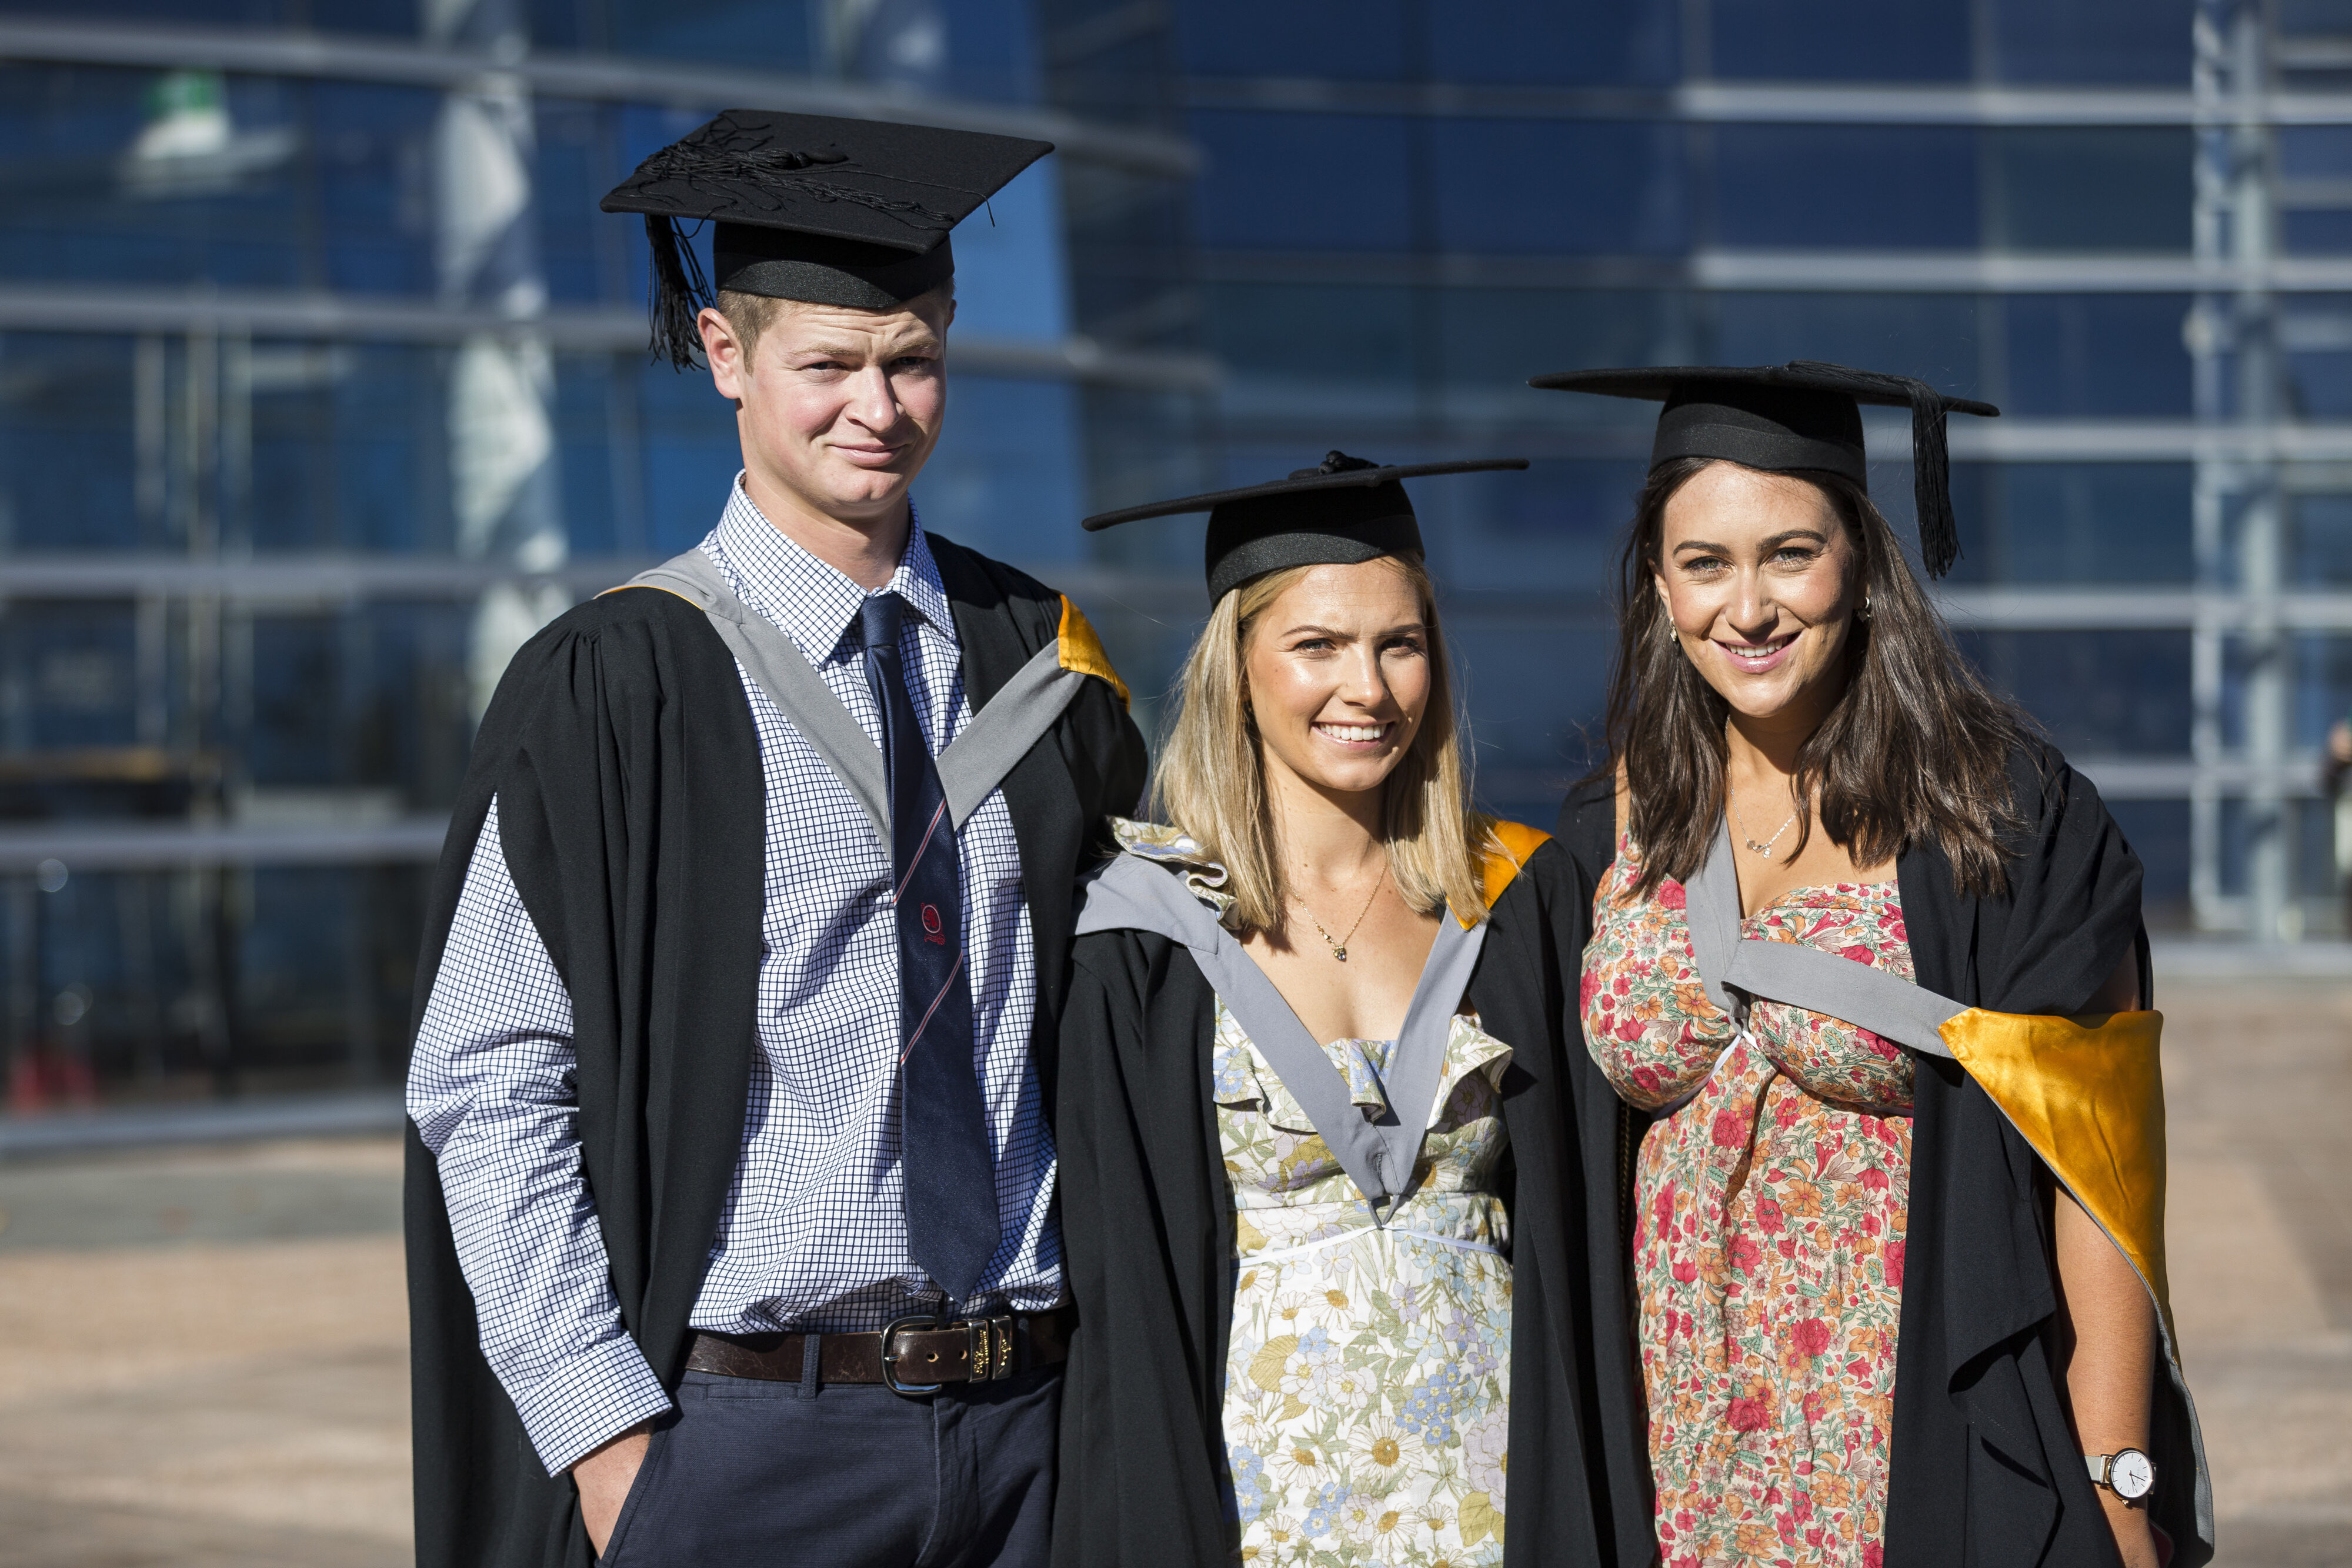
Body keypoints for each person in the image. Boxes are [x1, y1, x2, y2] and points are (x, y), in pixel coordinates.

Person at [402, 110, 1147, 1568]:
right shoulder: (619, 682)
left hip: (1030, 1431)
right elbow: (488, 1074)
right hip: (747, 1441)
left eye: (912, 356)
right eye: (827, 363)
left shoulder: (1040, 664)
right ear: (722, 355)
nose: (876, 404)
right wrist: (609, 1443)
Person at [1534, 361, 2212, 1568]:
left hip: (1916, 1436)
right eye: (1704, 564)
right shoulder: (1613, 831)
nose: (1746, 606)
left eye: (1788, 553)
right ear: (1656, 583)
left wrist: (2116, 1480)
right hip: (1676, 1445)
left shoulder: (1995, 821)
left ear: (1859, 561)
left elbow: (2094, 1175)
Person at [1049, 453, 1655, 1568]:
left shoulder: (1515, 901)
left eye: (1399, 643)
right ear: (1237, 665)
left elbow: (1585, 1237)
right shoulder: (1143, 934)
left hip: (1500, 1493)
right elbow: (1129, 1308)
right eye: (1317, 645)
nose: (1367, 688)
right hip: (1261, 1512)